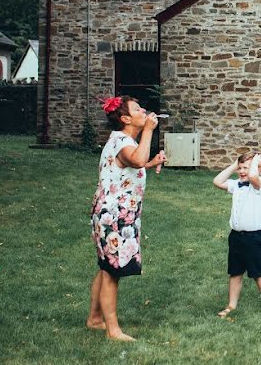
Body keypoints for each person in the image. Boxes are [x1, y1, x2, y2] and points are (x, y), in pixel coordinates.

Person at [87, 96, 166, 341]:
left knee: (105, 268)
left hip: (111, 213)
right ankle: (113, 331)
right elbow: (136, 159)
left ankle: (95, 319)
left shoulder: (122, 142)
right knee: (112, 271)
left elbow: (131, 166)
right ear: (125, 119)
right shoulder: (122, 140)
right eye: (138, 109)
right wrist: (150, 132)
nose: (144, 111)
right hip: (114, 217)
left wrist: (152, 163)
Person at [213, 152, 261, 318]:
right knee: (235, 273)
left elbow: (253, 175)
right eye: (240, 168)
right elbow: (217, 181)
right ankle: (231, 305)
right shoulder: (236, 185)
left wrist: (254, 163)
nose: (242, 171)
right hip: (236, 237)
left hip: (253, 238)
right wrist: (234, 165)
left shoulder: (259, 185)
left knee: (258, 273)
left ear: (256, 168)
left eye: (245, 168)